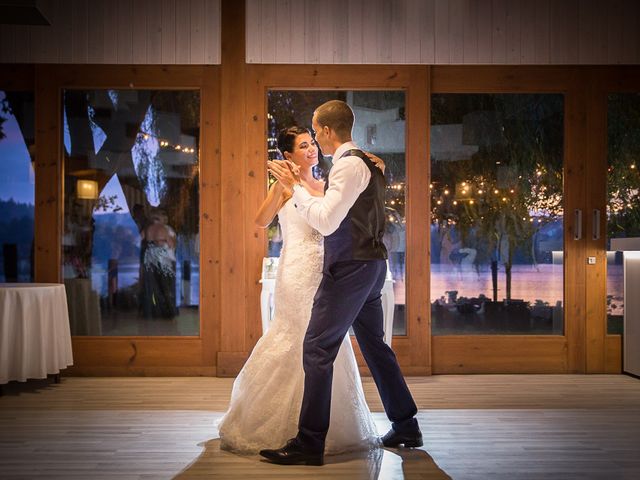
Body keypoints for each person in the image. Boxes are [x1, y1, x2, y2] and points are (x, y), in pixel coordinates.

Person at [261, 100, 421, 467]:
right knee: (375, 347)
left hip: (349, 269)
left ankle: (309, 443)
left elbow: (326, 221)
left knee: (317, 348)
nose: (315, 138)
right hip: (371, 267)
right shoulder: (368, 163)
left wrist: (294, 187)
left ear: (328, 131)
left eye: (316, 131)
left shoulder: (349, 166)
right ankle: (406, 425)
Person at [217, 126, 379, 454]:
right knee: (295, 337)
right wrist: (280, 187)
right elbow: (261, 221)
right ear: (288, 155)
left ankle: (321, 427)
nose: (311, 149)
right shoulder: (285, 188)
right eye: (303, 146)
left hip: (328, 269)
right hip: (296, 271)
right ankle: (284, 426)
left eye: (312, 143)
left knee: (325, 341)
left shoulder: (327, 185)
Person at [141, 208, 178, 319]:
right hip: (163, 258)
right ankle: (167, 312)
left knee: (152, 286)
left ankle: (152, 312)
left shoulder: (147, 229)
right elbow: (171, 245)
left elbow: (137, 240)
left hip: (150, 258)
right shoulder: (164, 229)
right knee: (166, 286)